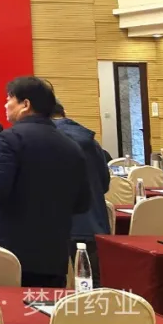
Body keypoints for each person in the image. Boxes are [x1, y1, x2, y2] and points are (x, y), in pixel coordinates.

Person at [0, 77, 90, 288]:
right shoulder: (72, 146)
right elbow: (83, 203)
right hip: (52, 254)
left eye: (9, 99)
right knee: (42, 306)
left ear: (25, 104)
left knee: (3, 306)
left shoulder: (9, 139)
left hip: (8, 250)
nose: (5, 105)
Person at [52, 102, 111, 283]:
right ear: (64, 113)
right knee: (92, 288)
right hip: (93, 225)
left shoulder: (44, 141)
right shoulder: (91, 141)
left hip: (56, 229)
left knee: (56, 292)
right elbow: (104, 184)